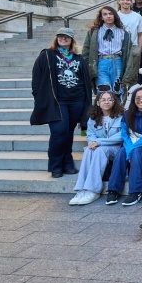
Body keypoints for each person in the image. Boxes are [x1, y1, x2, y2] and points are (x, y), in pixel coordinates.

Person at [31, 28, 92, 178]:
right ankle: (55, 166)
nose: (63, 39)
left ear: (72, 40)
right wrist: (39, 97)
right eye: (60, 36)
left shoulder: (78, 58)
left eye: (67, 37)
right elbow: (36, 78)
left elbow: (85, 80)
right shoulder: (47, 55)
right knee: (59, 133)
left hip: (77, 100)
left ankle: (68, 163)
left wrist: (86, 103)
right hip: (58, 102)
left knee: (68, 133)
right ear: (56, 38)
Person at [106, 87, 142, 206]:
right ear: (133, 100)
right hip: (132, 145)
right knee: (121, 152)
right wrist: (129, 149)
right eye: (137, 98)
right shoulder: (127, 114)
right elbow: (125, 135)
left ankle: (136, 191)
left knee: (136, 151)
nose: (141, 100)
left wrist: (131, 149)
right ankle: (113, 189)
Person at [70, 91, 124, 205]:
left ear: (114, 102)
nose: (106, 102)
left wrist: (99, 142)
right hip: (100, 149)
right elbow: (90, 135)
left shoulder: (121, 117)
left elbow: (121, 136)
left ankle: (93, 190)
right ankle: (82, 189)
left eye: (109, 99)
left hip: (116, 149)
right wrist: (92, 142)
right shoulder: (93, 118)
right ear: (98, 103)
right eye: (103, 100)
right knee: (88, 149)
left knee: (99, 150)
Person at [82, 6, 134, 93]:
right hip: (101, 62)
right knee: (104, 90)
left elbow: (129, 53)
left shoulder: (124, 32)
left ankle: (118, 106)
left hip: (117, 62)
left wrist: (128, 72)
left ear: (115, 16)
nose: (108, 16)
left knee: (118, 90)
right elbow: (86, 50)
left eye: (110, 14)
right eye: (105, 14)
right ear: (101, 17)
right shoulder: (94, 32)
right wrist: (88, 66)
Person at [116, 0, 142, 92]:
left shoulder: (137, 16)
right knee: (120, 74)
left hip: (133, 47)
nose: (125, 1)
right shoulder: (115, 16)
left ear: (131, 2)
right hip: (118, 48)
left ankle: (131, 98)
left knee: (132, 75)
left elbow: (141, 34)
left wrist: (139, 49)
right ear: (118, 1)